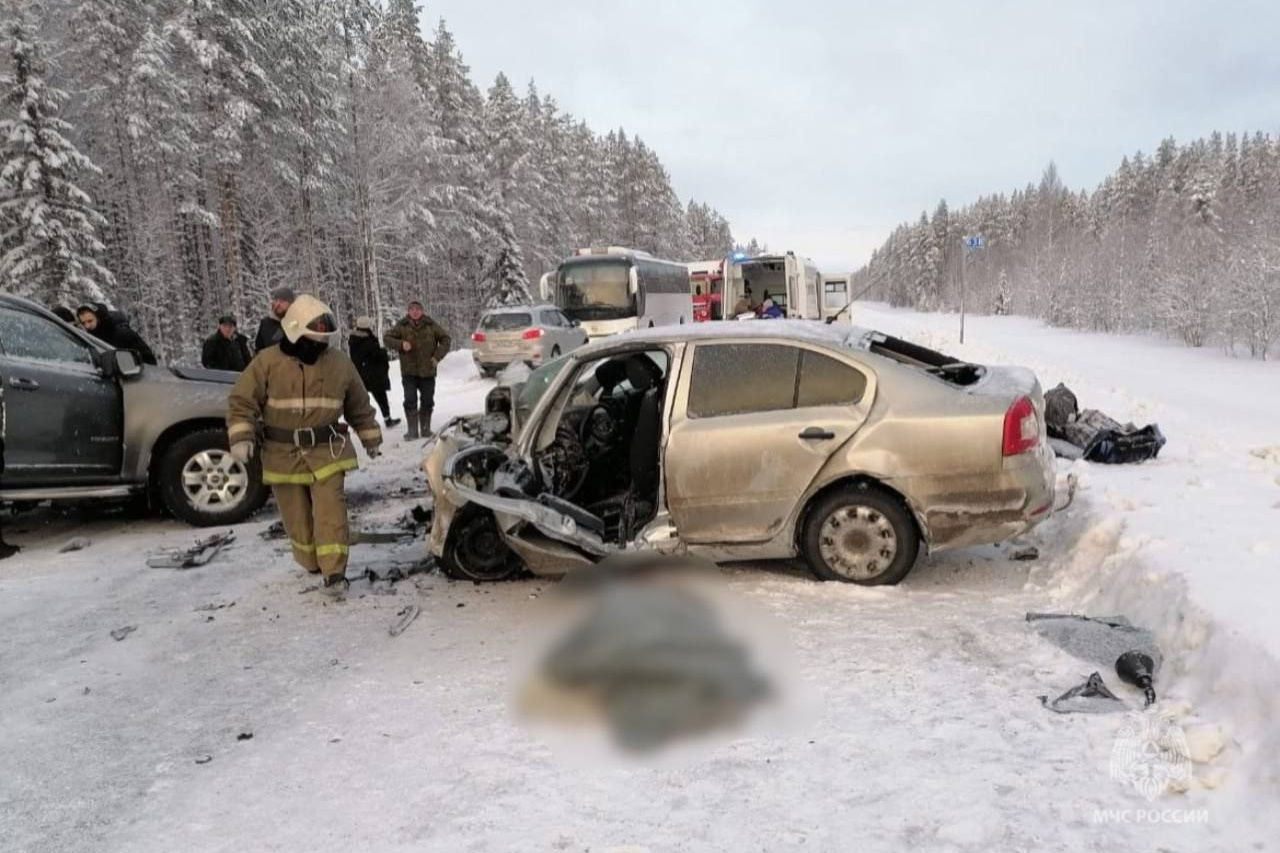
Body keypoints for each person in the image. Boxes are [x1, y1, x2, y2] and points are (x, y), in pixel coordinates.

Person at [226, 294, 382, 598]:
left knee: (331, 511)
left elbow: (359, 404)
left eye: (323, 340)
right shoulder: (266, 362)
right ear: (294, 333)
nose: (319, 347)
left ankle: (334, 572)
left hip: (328, 451)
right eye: (313, 340)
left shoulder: (339, 363)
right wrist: (241, 436)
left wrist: (370, 437)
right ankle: (311, 562)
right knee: (296, 517)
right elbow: (242, 401)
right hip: (281, 453)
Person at [383, 300, 451, 440]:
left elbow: (446, 339)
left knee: (427, 400)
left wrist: (437, 356)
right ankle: (412, 431)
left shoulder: (430, 324)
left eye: (418, 309)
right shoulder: (402, 325)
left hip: (427, 370)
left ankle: (425, 429)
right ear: (408, 311)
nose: (415, 311)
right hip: (409, 371)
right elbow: (387, 338)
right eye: (412, 309)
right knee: (410, 400)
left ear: (422, 311)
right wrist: (401, 344)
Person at [348, 316, 400, 427]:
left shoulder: (354, 340)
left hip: (361, 374)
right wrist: (383, 353)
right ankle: (387, 419)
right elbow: (375, 354)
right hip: (373, 374)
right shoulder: (367, 340)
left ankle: (359, 423)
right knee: (381, 397)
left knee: (360, 401)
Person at [76, 303, 158, 364]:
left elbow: (148, 360)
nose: (87, 326)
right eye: (83, 323)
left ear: (99, 318)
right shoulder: (88, 337)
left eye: (90, 321)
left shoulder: (124, 334)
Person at [254, 286, 296, 353]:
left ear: (291, 303)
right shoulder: (266, 324)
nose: (277, 304)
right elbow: (259, 351)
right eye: (276, 300)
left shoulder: (298, 322)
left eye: (282, 301)